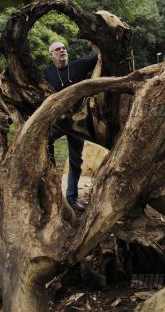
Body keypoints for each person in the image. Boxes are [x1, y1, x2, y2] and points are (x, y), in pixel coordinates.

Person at [41, 41, 98, 212]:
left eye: (64, 48)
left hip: (77, 122)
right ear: (51, 55)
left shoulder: (79, 65)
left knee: (75, 161)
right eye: (57, 49)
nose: (62, 50)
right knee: (45, 143)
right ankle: (51, 194)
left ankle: (72, 198)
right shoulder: (46, 73)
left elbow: (99, 57)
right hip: (57, 121)